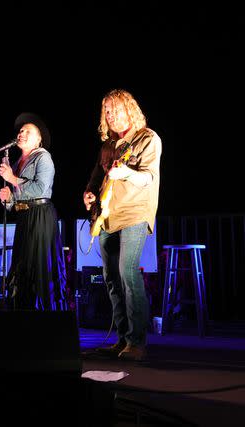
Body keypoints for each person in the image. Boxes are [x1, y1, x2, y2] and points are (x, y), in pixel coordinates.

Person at [83, 89, 161, 361]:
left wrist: (126, 172)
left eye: (116, 109)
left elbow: (148, 178)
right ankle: (122, 339)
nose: (111, 115)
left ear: (130, 109)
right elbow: (95, 179)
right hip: (107, 217)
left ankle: (137, 342)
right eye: (107, 111)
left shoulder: (147, 139)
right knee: (111, 278)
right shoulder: (107, 147)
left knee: (128, 272)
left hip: (135, 214)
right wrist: (89, 193)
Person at [0, 112, 66, 311]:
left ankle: (44, 313)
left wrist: (13, 180)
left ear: (38, 139)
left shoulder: (43, 157)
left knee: (39, 266)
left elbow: (41, 189)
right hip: (24, 216)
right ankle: (23, 312)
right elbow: (16, 199)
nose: (22, 133)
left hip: (40, 215)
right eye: (20, 131)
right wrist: (8, 199)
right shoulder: (17, 162)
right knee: (22, 266)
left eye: (28, 131)